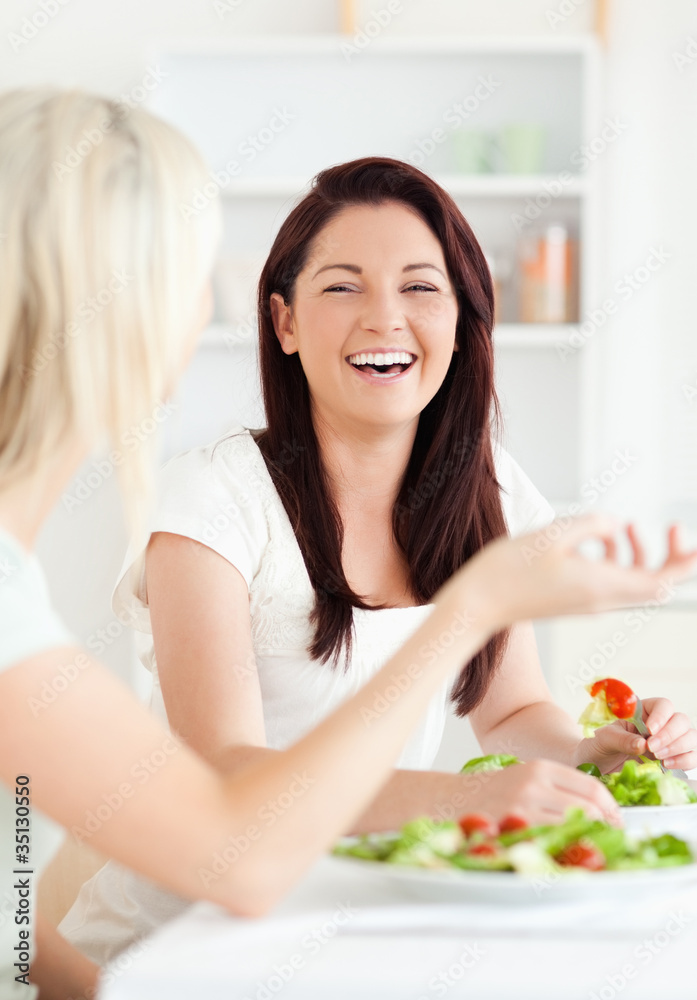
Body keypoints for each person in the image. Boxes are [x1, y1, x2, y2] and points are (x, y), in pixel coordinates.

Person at [1, 92, 694, 998]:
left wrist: (595, 755)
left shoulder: (485, 490)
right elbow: (226, 813)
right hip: (194, 938)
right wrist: (475, 619)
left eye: (420, 286)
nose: (384, 319)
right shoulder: (208, 501)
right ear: (280, 322)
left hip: (347, 913)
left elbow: (12, 932)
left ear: (462, 319)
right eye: (341, 287)